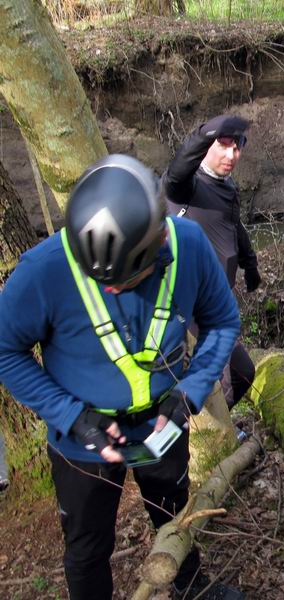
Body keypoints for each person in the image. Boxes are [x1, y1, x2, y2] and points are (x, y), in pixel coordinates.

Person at [0, 155, 243, 600]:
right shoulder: (45, 270)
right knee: (87, 545)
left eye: (124, 280)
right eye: (98, 279)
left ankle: (192, 589)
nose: (108, 288)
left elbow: (223, 322)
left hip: (162, 421)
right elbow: (5, 351)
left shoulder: (187, 245)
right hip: (81, 436)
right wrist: (70, 416)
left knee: (174, 513)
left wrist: (187, 395)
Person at [163, 114, 259, 409]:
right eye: (223, 145)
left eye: (237, 147)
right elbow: (176, 174)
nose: (231, 155)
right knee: (219, 388)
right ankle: (208, 447)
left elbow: (233, 226)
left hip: (218, 301)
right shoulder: (188, 186)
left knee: (244, 372)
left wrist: (250, 264)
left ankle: (209, 432)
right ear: (207, 147)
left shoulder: (226, 186)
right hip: (191, 308)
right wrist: (204, 133)